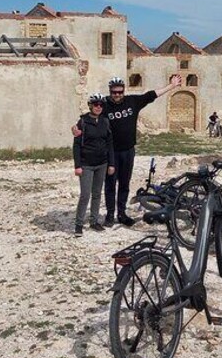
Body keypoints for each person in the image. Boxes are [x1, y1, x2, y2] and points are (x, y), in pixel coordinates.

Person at [74, 74, 182, 226]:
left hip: (128, 151)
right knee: (110, 185)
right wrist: (76, 127)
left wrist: (171, 86)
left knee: (124, 184)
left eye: (120, 92)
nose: (117, 95)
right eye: (114, 92)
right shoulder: (104, 104)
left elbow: (151, 95)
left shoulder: (132, 101)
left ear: (123, 91)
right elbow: (91, 113)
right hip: (110, 153)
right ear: (110, 91)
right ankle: (110, 216)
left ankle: (122, 213)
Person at [72, 93, 115, 237]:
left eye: (101, 105)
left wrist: (111, 164)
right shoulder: (82, 122)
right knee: (85, 195)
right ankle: (79, 224)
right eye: (96, 104)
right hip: (86, 164)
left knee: (97, 194)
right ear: (90, 105)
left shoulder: (105, 121)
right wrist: (77, 166)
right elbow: (76, 145)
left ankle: (94, 221)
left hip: (102, 164)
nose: (98, 107)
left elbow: (109, 144)